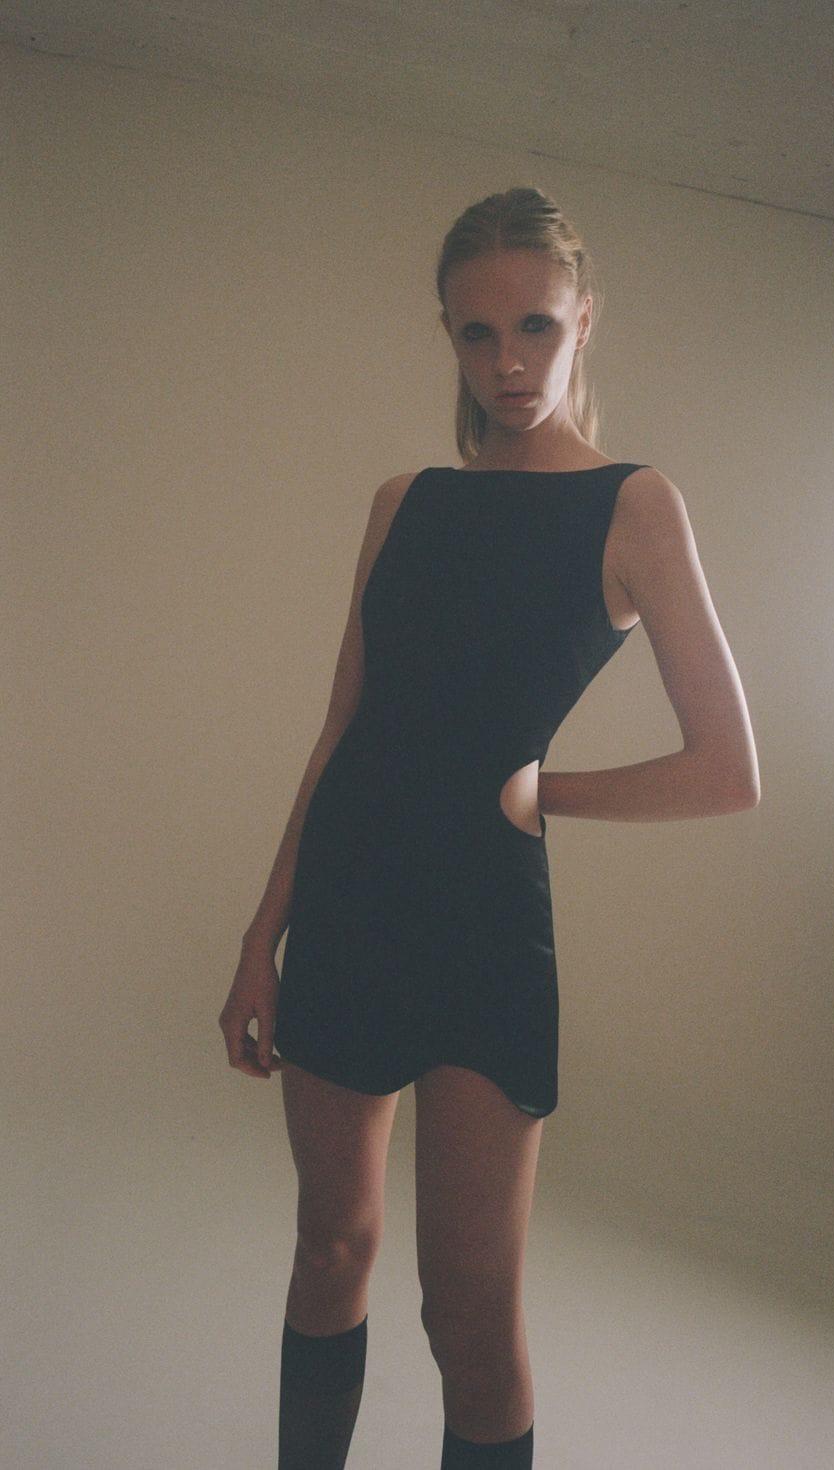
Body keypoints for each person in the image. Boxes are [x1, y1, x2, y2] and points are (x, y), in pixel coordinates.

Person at [219, 186, 760, 1469]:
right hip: (348, 902)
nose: (508, 361)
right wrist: (260, 936)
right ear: (448, 338)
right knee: (327, 1246)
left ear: (583, 322)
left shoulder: (632, 505)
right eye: (477, 332)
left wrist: (539, 791)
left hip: (481, 929)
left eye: (534, 327)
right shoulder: (403, 501)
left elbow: (726, 769)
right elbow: (343, 730)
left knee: (464, 1317)